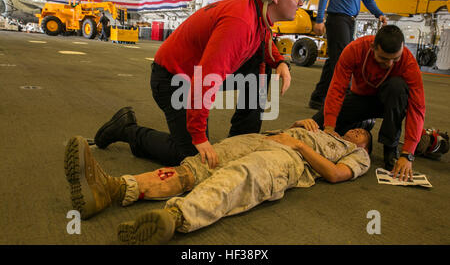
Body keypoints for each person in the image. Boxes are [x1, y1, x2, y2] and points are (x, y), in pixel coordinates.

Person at [94, 0, 315, 169]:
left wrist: (279, 62)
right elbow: (207, 78)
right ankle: (127, 129)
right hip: (172, 80)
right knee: (189, 156)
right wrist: (198, 136)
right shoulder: (239, 23)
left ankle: (242, 139)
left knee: (261, 64)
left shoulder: (255, 12)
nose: (299, 1)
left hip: (192, 75)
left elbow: (263, 39)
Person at [64, 118, 372, 244]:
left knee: (241, 177)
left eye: (364, 136)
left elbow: (334, 175)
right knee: (197, 166)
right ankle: (113, 188)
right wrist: (300, 128)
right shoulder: (323, 129)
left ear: (364, 147)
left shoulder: (357, 155)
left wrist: (301, 146)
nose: (358, 133)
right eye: (357, 130)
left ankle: (175, 216)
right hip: (263, 139)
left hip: (292, 159)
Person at [312, 25, 425, 177]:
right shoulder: (355, 49)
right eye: (384, 58)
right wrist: (329, 127)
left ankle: (390, 147)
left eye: (395, 59)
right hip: (359, 98)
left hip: (389, 102)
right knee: (315, 126)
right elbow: (337, 89)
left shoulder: (408, 62)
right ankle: (364, 123)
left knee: (397, 87)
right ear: (373, 47)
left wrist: (408, 153)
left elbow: (417, 108)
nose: (389, 64)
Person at [309, 0, 388, 109]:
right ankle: (345, 100)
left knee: (334, 61)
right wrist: (319, 19)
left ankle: (318, 97)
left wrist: (378, 13)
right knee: (344, 61)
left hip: (351, 20)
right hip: (337, 19)